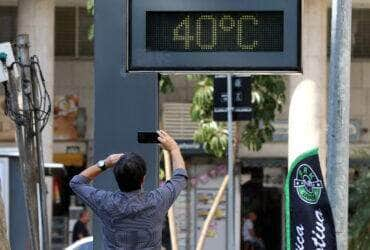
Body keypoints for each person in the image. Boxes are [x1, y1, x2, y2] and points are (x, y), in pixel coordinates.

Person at [70, 130, 188, 249]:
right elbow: (180, 177)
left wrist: (105, 163)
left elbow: (76, 182)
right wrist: (174, 149)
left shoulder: (105, 202)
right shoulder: (157, 201)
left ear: (117, 178)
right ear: (143, 178)